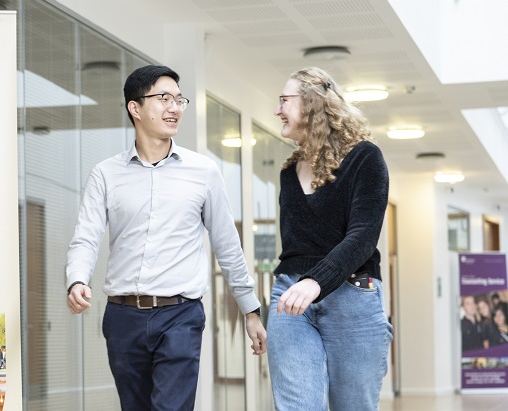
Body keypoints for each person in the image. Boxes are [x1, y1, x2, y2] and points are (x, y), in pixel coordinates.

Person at [65, 64, 267, 411]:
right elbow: (86, 236)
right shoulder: (106, 174)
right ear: (135, 108)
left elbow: (226, 244)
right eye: (164, 98)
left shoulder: (203, 172)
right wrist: (76, 279)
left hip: (181, 314)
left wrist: (249, 308)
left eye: (179, 100)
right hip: (122, 317)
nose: (174, 108)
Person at [266, 67, 394, 411]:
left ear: (311, 104)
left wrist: (316, 282)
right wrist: (301, 284)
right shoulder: (288, 173)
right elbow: (296, 247)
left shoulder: (365, 158)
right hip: (290, 297)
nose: (278, 110)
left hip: (352, 295)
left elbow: (363, 237)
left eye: (284, 100)